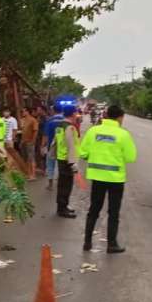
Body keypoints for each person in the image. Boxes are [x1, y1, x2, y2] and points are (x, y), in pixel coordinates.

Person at [79, 105, 137, 254]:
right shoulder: (123, 134)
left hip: (97, 177)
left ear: (106, 115)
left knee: (94, 210)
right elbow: (131, 157)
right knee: (113, 212)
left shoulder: (93, 131)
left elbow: (83, 153)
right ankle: (112, 244)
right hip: (115, 179)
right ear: (120, 118)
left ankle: (87, 242)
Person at [50, 105, 80, 218]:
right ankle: (62, 209)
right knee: (66, 185)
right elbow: (70, 145)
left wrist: (52, 154)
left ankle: (63, 206)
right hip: (67, 160)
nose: (76, 114)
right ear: (73, 114)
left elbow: (55, 141)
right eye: (75, 112)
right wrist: (73, 162)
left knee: (63, 184)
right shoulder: (69, 127)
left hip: (61, 158)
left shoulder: (60, 125)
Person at [41, 104, 65, 190]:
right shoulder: (66, 121)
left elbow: (45, 135)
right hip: (63, 147)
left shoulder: (50, 121)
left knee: (50, 165)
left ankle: (50, 184)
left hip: (51, 147)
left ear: (53, 111)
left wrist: (42, 146)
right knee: (61, 165)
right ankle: (60, 182)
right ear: (62, 110)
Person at [19, 107, 39, 180]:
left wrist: (33, 140)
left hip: (30, 141)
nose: (22, 113)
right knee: (26, 158)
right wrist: (21, 141)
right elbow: (23, 131)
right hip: (24, 141)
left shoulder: (33, 120)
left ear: (27, 112)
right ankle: (29, 173)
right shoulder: (23, 120)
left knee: (31, 158)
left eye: (24, 111)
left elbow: (35, 131)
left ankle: (33, 174)